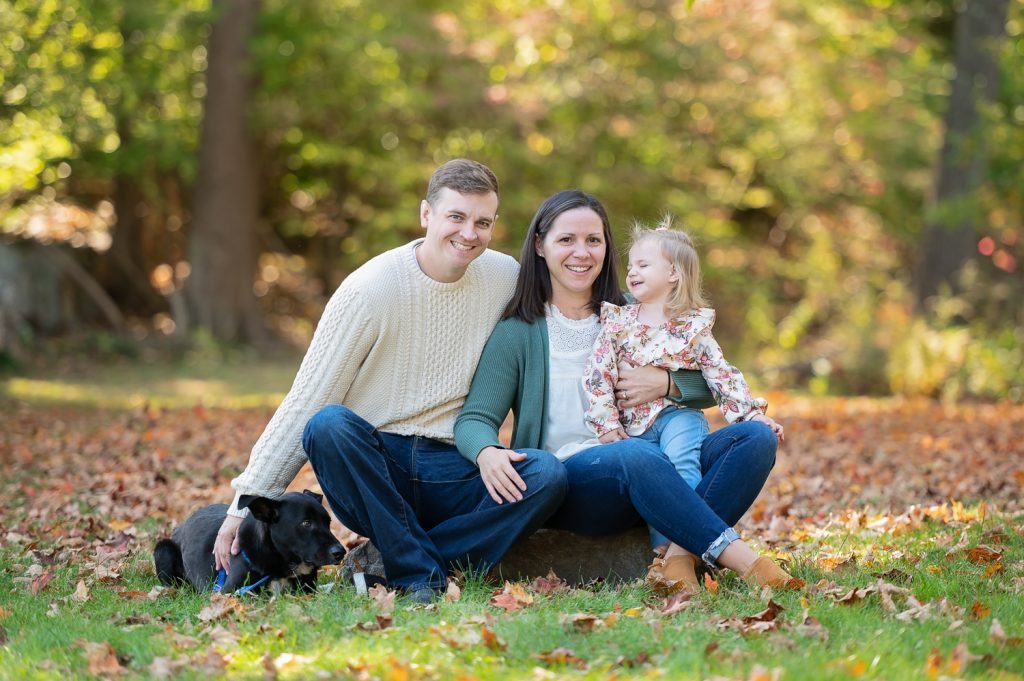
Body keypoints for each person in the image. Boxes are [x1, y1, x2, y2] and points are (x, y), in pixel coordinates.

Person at [213, 160, 568, 602]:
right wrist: (242, 503)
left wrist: (652, 337)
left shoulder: (505, 278)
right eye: (456, 217)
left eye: (483, 222)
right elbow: (306, 401)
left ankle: (400, 561)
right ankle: (422, 575)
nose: (469, 233)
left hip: (455, 465)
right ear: (426, 215)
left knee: (548, 475)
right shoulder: (371, 289)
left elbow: (578, 301)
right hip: (376, 465)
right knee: (327, 424)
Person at [455, 189, 795, 597]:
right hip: (576, 484)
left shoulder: (638, 311)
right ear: (541, 246)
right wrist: (486, 452)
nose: (581, 252)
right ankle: (742, 560)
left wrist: (668, 384)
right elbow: (475, 418)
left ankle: (677, 559)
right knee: (636, 453)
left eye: (593, 240)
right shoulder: (519, 331)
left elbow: (711, 375)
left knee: (755, 439)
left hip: (654, 469)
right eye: (566, 240)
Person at [581, 219, 785, 590]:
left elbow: (721, 375)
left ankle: (675, 554)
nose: (632, 271)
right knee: (654, 470)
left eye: (644, 264)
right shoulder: (618, 321)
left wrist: (752, 414)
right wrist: (607, 424)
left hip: (678, 417)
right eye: (631, 265)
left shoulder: (692, 327)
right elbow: (598, 376)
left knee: (682, 464)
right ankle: (688, 553)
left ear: (673, 273)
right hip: (633, 428)